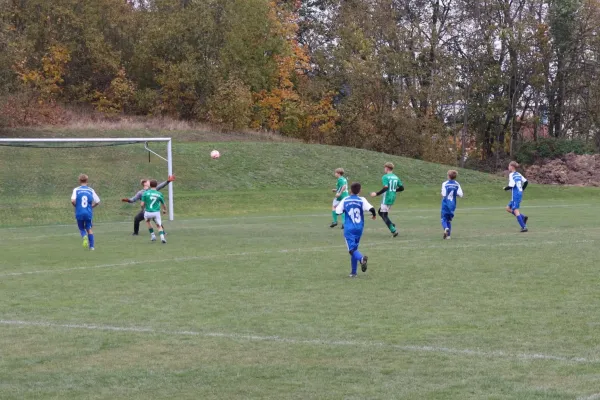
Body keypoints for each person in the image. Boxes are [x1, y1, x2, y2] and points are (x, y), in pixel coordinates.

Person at [336, 182, 376, 278]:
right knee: (354, 249)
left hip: (349, 228)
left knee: (351, 250)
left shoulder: (345, 200)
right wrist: (374, 215)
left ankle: (362, 259)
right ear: (360, 190)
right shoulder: (362, 200)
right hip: (359, 228)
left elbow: (338, 212)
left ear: (350, 190)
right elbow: (372, 209)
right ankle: (353, 272)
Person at [370, 162, 404, 237]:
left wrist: (376, 194)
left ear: (387, 168)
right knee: (380, 212)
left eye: (384, 168)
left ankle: (393, 230)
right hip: (392, 197)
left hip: (386, 198)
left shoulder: (385, 177)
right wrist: (394, 190)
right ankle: (391, 224)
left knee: (384, 215)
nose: (384, 169)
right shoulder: (396, 177)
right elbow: (402, 188)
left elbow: (386, 187)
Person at [70, 174, 101, 250]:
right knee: (89, 228)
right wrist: (92, 206)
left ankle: (84, 237)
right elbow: (98, 201)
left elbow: (73, 200)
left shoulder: (76, 190)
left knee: (81, 228)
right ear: (87, 181)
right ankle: (92, 247)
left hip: (79, 212)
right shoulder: (90, 190)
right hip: (88, 212)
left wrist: (76, 206)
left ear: (79, 181)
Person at [505, 161, 529, 232]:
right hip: (518, 194)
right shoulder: (518, 174)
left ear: (512, 167)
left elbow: (511, 185)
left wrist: (505, 188)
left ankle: (524, 227)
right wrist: (522, 189)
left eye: (509, 166)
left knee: (515, 210)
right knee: (508, 208)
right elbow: (526, 182)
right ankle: (523, 217)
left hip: (515, 194)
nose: (508, 167)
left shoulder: (511, 174)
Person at [441, 170, 464, 240]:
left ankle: (446, 228)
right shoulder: (457, 184)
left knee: (443, 219)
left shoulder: (445, 183)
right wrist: (455, 194)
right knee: (449, 220)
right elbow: (461, 194)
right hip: (453, 204)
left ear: (448, 176)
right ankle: (448, 236)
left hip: (445, 203)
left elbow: (444, 194)